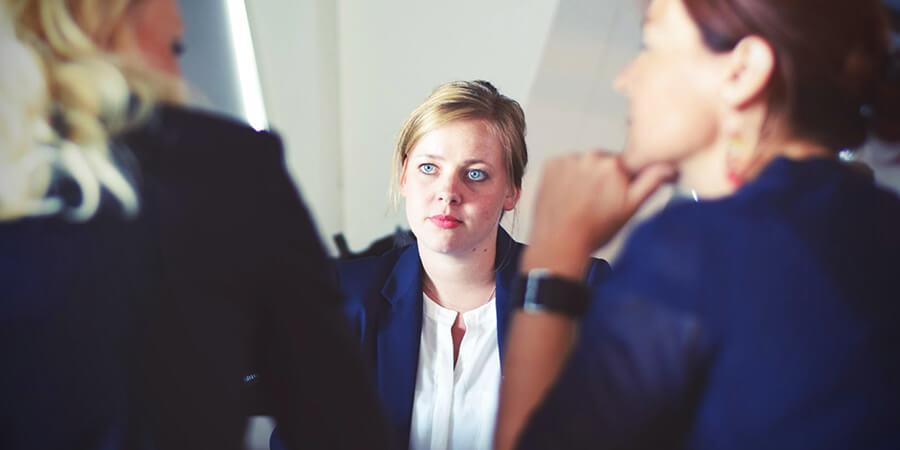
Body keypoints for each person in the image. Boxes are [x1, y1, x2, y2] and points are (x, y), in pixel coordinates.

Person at [495, 0, 900, 449]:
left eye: (650, 45)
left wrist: (556, 248)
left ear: (742, 71)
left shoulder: (695, 248)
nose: (625, 79)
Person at [0, 1, 388, 449]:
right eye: (175, 47)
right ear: (111, 18)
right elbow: (336, 421)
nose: (181, 19)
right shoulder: (223, 168)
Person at [271, 80, 609, 450]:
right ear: (404, 177)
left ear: (511, 191)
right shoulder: (343, 298)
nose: (448, 192)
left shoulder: (579, 289)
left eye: (475, 173)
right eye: (429, 168)